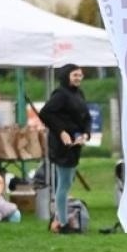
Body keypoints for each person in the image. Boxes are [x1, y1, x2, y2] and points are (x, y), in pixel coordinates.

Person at [39, 65, 91, 233]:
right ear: (67, 76)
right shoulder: (60, 94)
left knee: (68, 182)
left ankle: (58, 220)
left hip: (75, 143)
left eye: (80, 75)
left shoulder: (79, 93)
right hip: (62, 146)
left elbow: (86, 117)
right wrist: (61, 132)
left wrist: (86, 134)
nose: (78, 78)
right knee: (64, 183)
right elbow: (46, 113)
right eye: (75, 75)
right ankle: (62, 223)